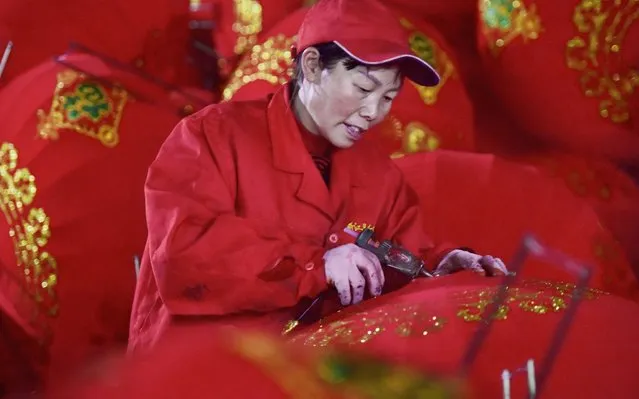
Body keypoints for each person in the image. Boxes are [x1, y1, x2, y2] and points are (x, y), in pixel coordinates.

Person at [128, 0, 508, 353]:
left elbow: (401, 256)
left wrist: (439, 265)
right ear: (311, 66)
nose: (373, 112)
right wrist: (316, 265)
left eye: (389, 97)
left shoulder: (379, 174)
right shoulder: (211, 136)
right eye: (363, 88)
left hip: (304, 376)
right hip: (201, 368)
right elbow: (182, 255)